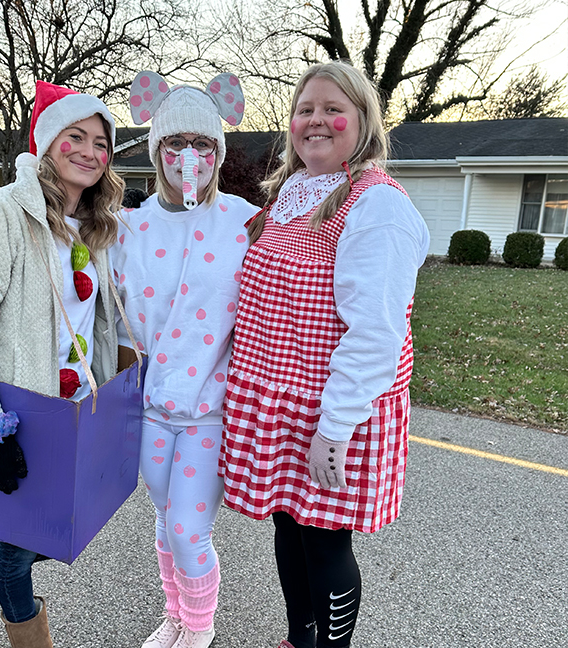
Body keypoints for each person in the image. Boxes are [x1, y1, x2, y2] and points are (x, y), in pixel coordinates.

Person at [219, 61, 430, 648]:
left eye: (332, 108)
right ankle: (300, 639)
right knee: (289, 527)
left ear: (362, 122)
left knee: (327, 541)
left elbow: (376, 334)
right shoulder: (290, 194)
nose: (316, 120)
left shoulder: (376, 206)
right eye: (304, 108)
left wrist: (333, 429)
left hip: (335, 412)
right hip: (281, 400)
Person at [0, 80, 124, 648]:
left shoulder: (94, 227)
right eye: (76, 136)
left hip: (72, 413)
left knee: (51, 534)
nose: (90, 151)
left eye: (101, 142)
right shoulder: (1, 215)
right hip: (17, 412)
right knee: (19, 555)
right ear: (46, 142)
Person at [109, 70, 258, 648]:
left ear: (218, 152)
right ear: (156, 149)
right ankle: (175, 615)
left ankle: (199, 629)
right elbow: (97, 305)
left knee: (188, 528)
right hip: (148, 407)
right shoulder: (128, 227)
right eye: (175, 143)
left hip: (211, 410)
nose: (188, 156)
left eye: (202, 143)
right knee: (164, 524)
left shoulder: (245, 222)